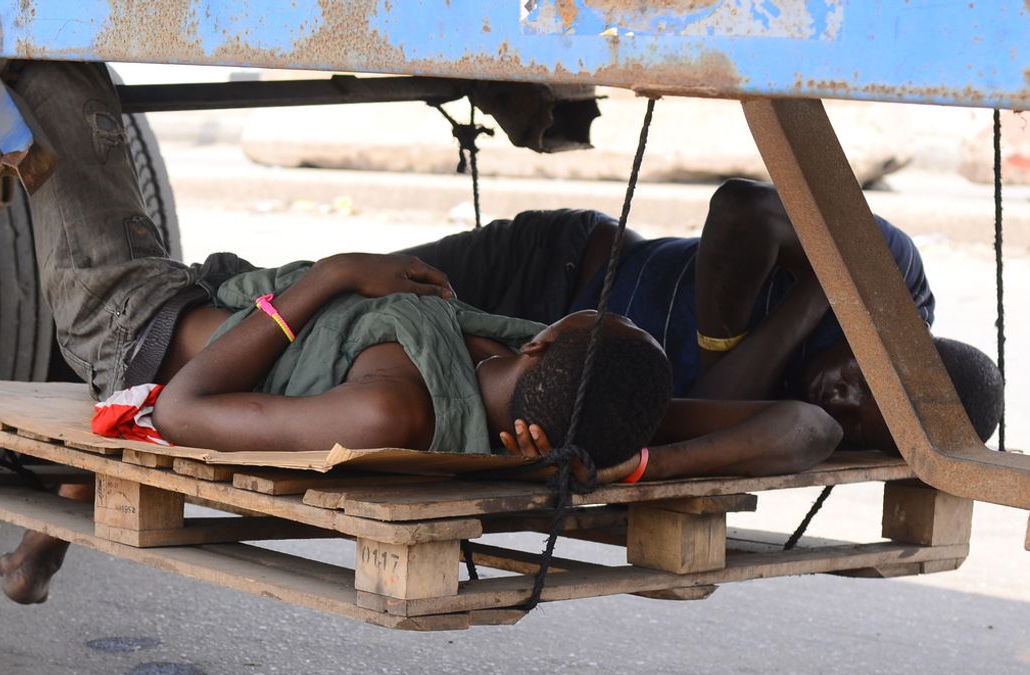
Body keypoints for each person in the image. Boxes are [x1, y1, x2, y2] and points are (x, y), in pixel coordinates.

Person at [0, 63, 842, 604]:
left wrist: (331, 275)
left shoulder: (386, 413)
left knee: (51, 74)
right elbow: (813, 428)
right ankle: (60, 519)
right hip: (230, 289)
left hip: (133, 324)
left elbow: (180, 412)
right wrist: (651, 464)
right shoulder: (588, 416)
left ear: (544, 344)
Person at [402, 179, 1006, 451]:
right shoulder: (885, 277)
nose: (841, 397)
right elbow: (740, 210)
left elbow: (710, 406)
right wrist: (744, 340)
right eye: (864, 382)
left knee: (357, 350)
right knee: (338, 287)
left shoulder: (817, 420)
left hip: (534, 370)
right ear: (903, 349)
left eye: (857, 422)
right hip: (556, 272)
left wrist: (815, 293)